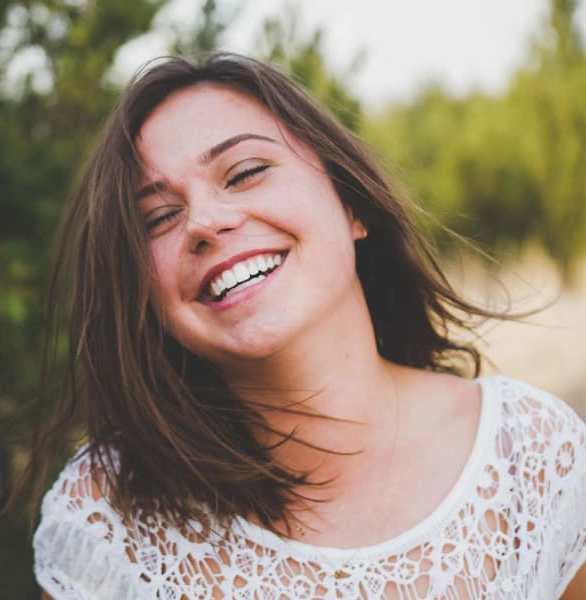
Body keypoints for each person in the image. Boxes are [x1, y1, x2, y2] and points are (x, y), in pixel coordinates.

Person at [31, 53, 585, 599]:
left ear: (352, 205)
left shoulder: (534, 460)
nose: (203, 222)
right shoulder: (106, 518)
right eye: (157, 218)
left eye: (245, 172)